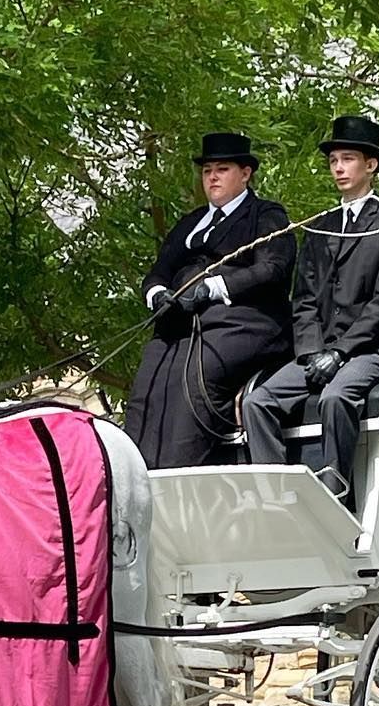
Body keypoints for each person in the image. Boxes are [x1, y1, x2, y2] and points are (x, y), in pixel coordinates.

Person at [242, 115, 379, 504]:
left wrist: (339, 352)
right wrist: (311, 350)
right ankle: (275, 495)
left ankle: (336, 489)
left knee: (336, 397)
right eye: (334, 160)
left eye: (348, 159)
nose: (338, 167)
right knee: (258, 402)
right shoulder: (320, 225)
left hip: (373, 348)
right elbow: (303, 297)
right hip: (318, 350)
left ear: (370, 165)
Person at [124, 131, 296, 469]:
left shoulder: (266, 215)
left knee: (197, 374)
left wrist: (214, 287)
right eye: (207, 171)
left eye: (221, 169)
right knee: (151, 375)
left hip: (245, 322)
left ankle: (183, 471)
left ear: (245, 174)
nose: (212, 177)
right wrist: (158, 295)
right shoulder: (190, 223)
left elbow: (272, 268)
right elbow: (158, 271)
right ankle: (140, 475)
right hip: (183, 322)